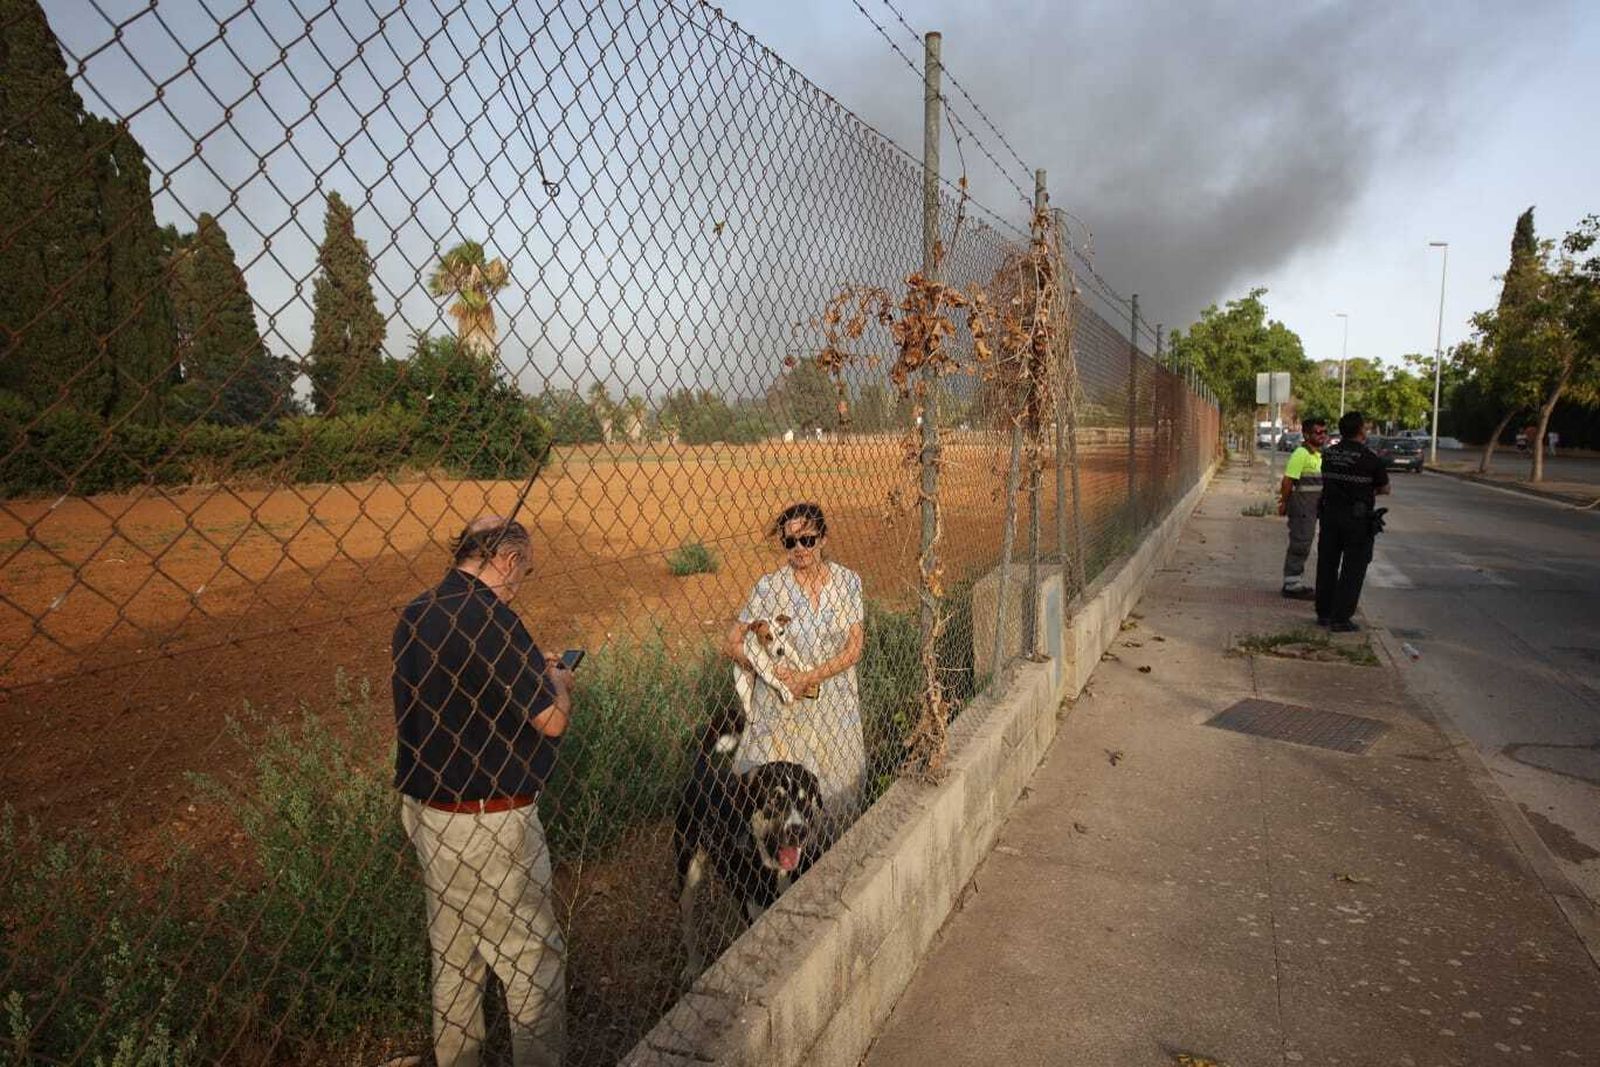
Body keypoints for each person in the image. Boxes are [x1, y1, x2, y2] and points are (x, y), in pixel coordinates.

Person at [392, 516, 573, 1067]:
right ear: (509, 559)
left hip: (429, 813)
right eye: (527, 569)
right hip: (490, 820)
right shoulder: (491, 618)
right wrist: (559, 684)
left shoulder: (419, 611)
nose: (523, 581)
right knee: (531, 961)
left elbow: (458, 687)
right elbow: (550, 722)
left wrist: (525, 666)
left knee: (455, 959)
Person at [724, 502, 867, 839]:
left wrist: (809, 676)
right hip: (784, 716)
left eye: (808, 539)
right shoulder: (769, 587)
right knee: (777, 807)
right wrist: (763, 668)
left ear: (823, 538)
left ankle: (829, 862)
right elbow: (731, 641)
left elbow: (854, 647)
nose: (799, 549)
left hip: (836, 711)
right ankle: (778, 874)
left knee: (833, 801)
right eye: (790, 542)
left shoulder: (848, 582)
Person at [1315, 412, 1390, 633]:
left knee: (1327, 564)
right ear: (1360, 431)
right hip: (1357, 521)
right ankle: (1341, 618)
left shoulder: (1328, 455)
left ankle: (1324, 613)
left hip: (1329, 517)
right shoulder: (1370, 458)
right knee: (1353, 569)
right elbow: (1385, 488)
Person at [1277, 416, 1327, 600]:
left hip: (1311, 509)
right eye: (1318, 432)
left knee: (1305, 544)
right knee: (1300, 544)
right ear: (1306, 434)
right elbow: (1288, 480)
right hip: (1301, 507)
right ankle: (1291, 585)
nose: (1322, 435)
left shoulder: (1318, 455)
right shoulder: (1301, 453)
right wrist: (1283, 502)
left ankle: (1295, 581)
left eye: (1324, 432)